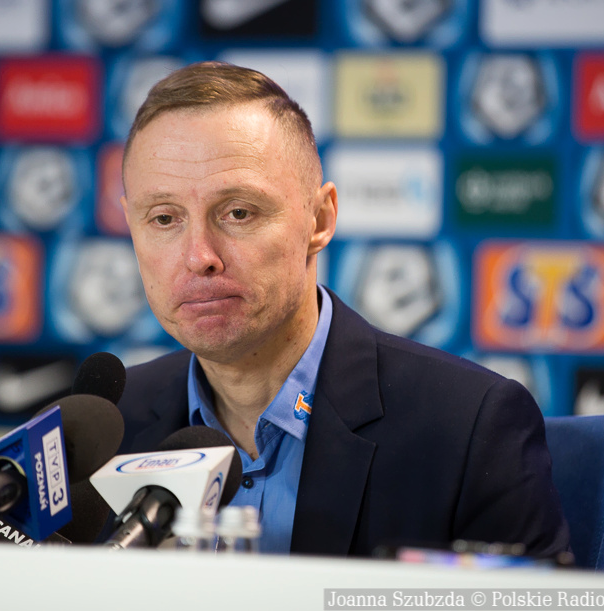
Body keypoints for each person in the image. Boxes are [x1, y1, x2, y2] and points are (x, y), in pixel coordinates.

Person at [117, 61, 571, 558]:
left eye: (238, 212)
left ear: (320, 220)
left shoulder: (469, 428)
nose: (199, 256)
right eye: (164, 219)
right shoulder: (105, 427)